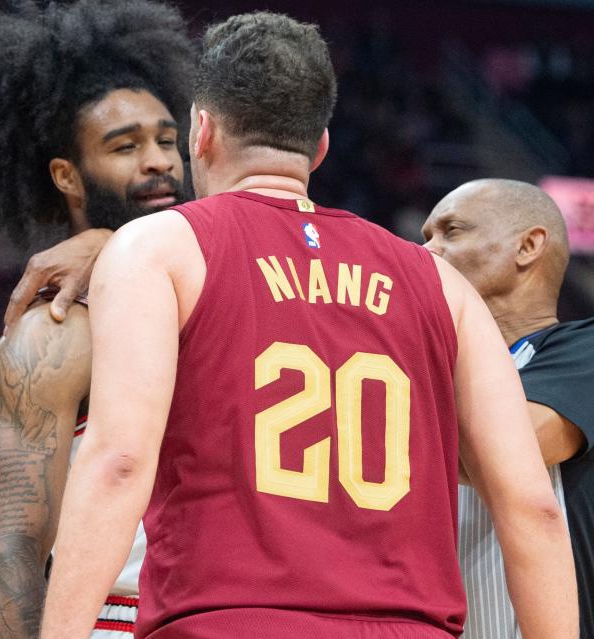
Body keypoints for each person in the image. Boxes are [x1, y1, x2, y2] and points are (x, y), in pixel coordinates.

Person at [40, 12, 576, 639]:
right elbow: (533, 508)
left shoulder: (159, 248)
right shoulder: (441, 283)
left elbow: (120, 464)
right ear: (319, 146)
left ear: (202, 131)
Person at [0, 1, 195, 637]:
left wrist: (114, 249)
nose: (159, 160)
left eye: (168, 140)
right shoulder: (54, 332)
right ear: (67, 175)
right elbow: (14, 550)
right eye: (125, 146)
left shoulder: (219, 285)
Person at [422, 179, 594, 639]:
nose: (428, 251)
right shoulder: (430, 375)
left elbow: (510, 449)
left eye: (451, 231)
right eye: (425, 239)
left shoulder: (585, 349)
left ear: (529, 246)